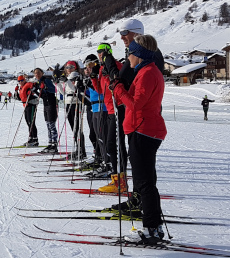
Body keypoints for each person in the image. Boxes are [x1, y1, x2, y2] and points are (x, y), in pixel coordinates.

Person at [109, 35, 167, 244]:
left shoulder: (148, 73)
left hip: (143, 130)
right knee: (147, 181)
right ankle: (155, 226)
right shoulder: (147, 71)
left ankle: (151, 228)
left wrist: (118, 89)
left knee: (144, 183)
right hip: (144, 129)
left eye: (130, 53)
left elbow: (135, 104)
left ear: (139, 55)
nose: (128, 58)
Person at [92, 43, 128, 193]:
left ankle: (120, 181)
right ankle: (117, 178)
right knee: (110, 145)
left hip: (118, 107)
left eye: (102, 52)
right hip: (109, 109)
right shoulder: (102, 69)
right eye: (98, 52)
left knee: (115, 145)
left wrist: (108, 73)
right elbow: (101, 90)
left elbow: (117, 82)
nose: (99, 54)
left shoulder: (117, 65)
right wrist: (94, 77)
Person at [56, 60, 86, 160]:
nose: (69, 69)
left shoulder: (77, 76)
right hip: (68, 102)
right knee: (73, 127)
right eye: (67, 67)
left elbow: (75, 89)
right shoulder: (68, 77)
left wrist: (66, 81)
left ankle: (81, 150)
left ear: (75, 67)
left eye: (71, 67)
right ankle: (78, 148)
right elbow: (63, 92)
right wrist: (57, 84)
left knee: (77, 127)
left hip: (76, 101)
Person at [33, 68, 58, 153]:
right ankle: (50, 143)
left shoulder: (46, 80)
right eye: (35, 73)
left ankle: (54, 144)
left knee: (51, 124)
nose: (37, 75)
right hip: (46, 105)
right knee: (48, 124)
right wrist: (36, 90)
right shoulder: (39, 82)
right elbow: (42, 96)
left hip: (51, 104)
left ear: (42, 73)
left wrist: (45, 88)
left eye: (38, 73)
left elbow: (53, 90)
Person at [17, 74, 40, 147]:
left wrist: (33, 89)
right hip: (25, 105)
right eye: (19, 81)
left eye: (21, 80)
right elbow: (20, 98)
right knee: (28, 122)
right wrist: (16, 93)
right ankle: (31, 138)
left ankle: (35, 139)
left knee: (31, 122)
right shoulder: (21, 88)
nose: (20, 82)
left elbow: (35, 85)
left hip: (31, 104)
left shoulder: (28, 84)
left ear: (24, 80)